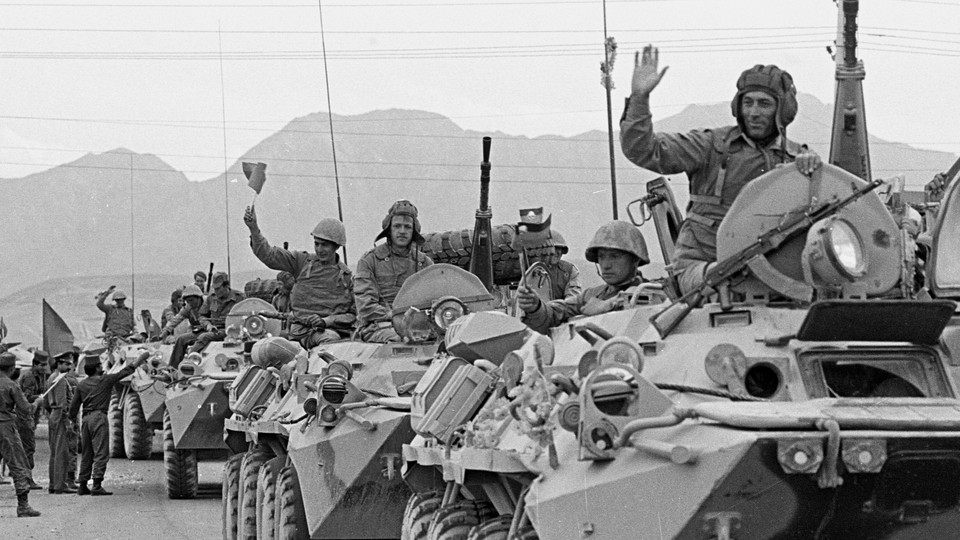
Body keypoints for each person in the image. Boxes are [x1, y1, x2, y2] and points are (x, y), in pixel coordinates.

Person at [620, 45, 822, 294]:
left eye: (764, 104)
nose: (754, 113)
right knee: (722, 283)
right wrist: (640, 99)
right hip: (703, 268)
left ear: (782, 111)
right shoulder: (711, 147)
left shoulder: (798, 160)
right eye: (748, 103)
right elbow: (644, 150)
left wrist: (811, 171)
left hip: (772, 274)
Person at [244, 207, 356, 347]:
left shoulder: (346, 277)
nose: (320, 250)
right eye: (317, 244)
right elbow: (270, 256)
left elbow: (352, 315)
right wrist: (254, 229)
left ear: (337, 246)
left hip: (328, 334)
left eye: (325, 245)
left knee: (329, 341)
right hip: (298, 333)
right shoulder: (302, 262)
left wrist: (326, 321)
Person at [518, 221, 650, 334]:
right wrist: (535, 306)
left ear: (635, 260)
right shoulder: (591, 295)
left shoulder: (653, 293)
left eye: (614, 256)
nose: (606, 265)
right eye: (601, 257)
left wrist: (610, 304)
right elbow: (555, 313)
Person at [67, 349, 150, 496]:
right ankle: (97, 485)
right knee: (101, 452)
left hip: (86, 419)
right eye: (100, 365)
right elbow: (127, 371)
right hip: (99, 417)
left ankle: (83, 484)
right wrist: (141, 358)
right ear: (97, 368)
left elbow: (73, 408)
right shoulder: (105, 380)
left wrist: (71, 420)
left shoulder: (81, 385)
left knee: (87, 453)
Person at [354, 200, 433, 343]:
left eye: (407, 227)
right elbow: (365, 306)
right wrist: (393, 315)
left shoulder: (425, 263)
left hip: (419, 325)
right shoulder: (369, 261)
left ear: (414, 231)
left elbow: (434, 299)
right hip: (379, 325)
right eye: (397, 226)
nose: (402, 231)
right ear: (389, 229)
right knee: (402, 340)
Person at [0, 352, 41, 516]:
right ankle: (23, 506)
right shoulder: (11, 385)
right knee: (18, 464)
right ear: (11, 369)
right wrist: (37, 402)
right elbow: (26, 409)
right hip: (6, 427)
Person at [188, 272, 245, 354]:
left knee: (203, 337)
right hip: (213, 329)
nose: (215, 291)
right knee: (182, 339)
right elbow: (202, 316)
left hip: (231, 331)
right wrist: (208, 325)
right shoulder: (211, 298)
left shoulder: (239, 298)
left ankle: (190, 359)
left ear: (226, 286)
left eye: (218, 289)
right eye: (214, 288)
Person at [46, 349, 78, 494]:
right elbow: (62, 404)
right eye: (66, 364)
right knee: (61, 453)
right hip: (60, 417)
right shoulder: (59, 380)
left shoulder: (52, 378)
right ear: (58, 364)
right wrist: (68, 422)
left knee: (55, 452)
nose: (69, 367)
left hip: (54, 416)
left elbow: (47, 403)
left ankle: (54, 483)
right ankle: (60, 485)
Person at [16, 350, 47, 490]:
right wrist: (38, 399)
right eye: (41, 365)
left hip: (31, 416)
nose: (44, 367)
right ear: (34, 364)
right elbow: (25, 398)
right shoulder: (29, 377)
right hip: (24, 416)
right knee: (28, 448)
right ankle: (27, 479)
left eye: (45, 365)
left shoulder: (40, 376)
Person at [159, 284, 205, 368]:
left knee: (199, 342)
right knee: (181, 339)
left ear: (199, 298)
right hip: (197, 332)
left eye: (191, 300)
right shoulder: (188, 308)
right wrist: (166, 330)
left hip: (210, 330)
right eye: (187, 301)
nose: (190, 303)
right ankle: (172, 368)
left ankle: (192, 362)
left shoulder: (207, 303)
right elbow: (176, 319)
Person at [541, 230, 582, 302]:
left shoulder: (569, 270)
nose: (556, 252)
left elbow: (572, 300)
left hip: (559, 311)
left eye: (559, 249)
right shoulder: (532, 269)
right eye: (553, 248)